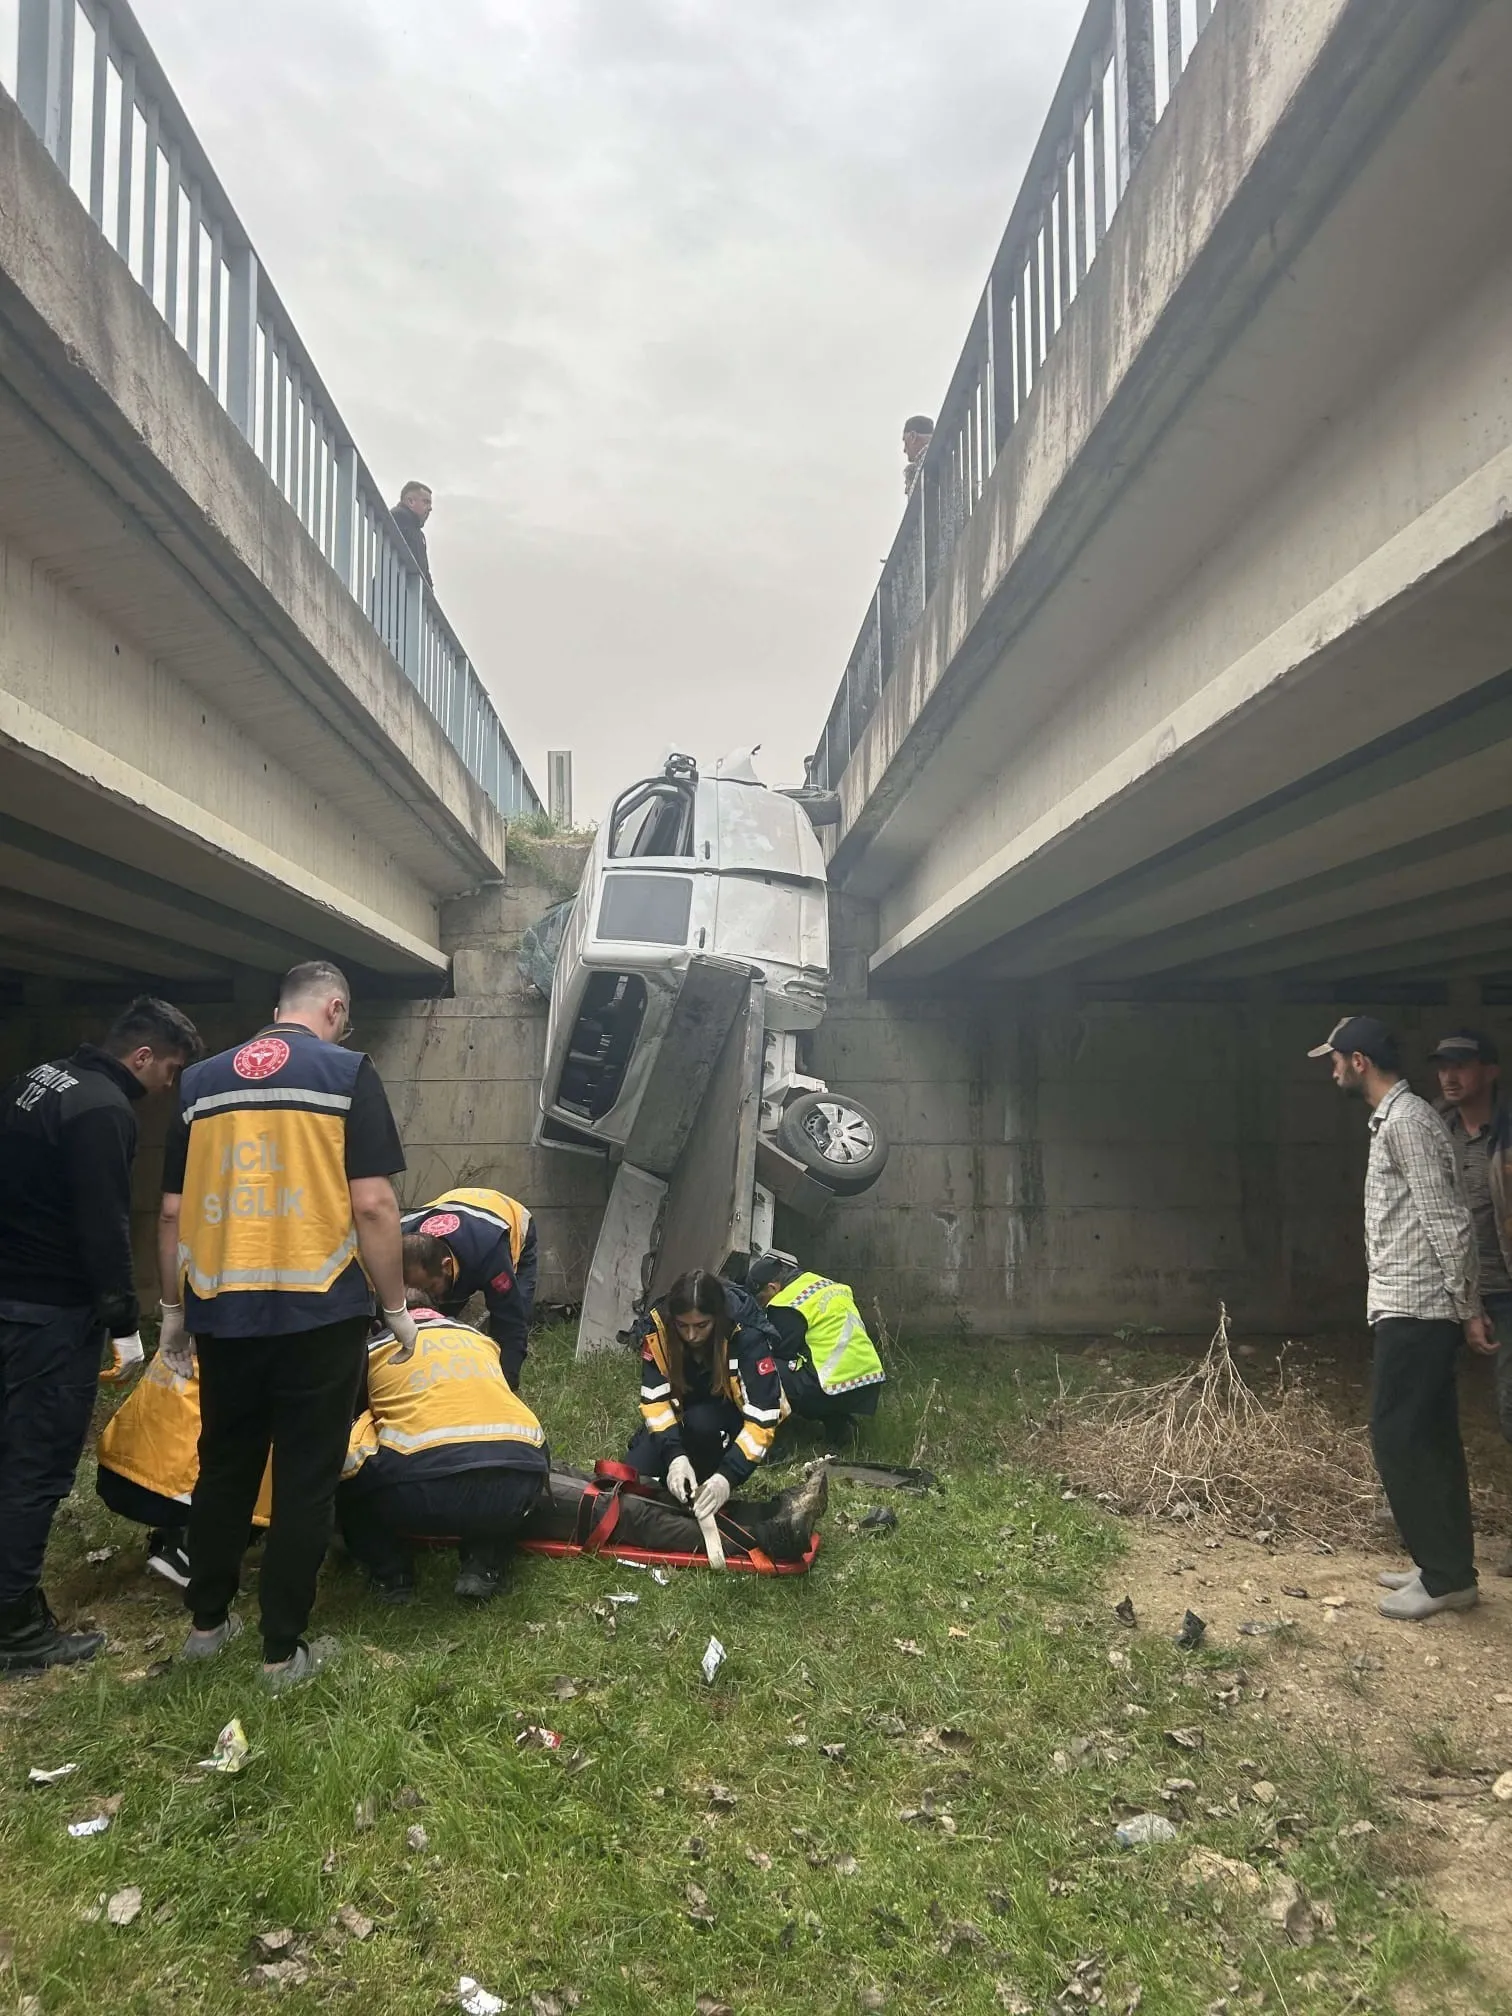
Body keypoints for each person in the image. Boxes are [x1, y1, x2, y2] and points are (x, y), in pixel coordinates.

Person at [158, 961, 417, 1691]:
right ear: (334, 1008)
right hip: (319, 1308)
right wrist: (395, 1307)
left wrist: (173, 1310)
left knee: (225, 1466)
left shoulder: (201, 1083)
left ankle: (207, 1627)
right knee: (305, 1479)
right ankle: (281, 1654)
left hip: (224, 1306)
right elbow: (372, 1205)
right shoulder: (346, 1073)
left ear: (278, 1009)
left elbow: (174, 1211)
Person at [0, 996, 201, 1671]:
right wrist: (123, 1321)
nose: (168, 1086)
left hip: (10, 1293)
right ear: (141, 1055)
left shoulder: (42, 1079)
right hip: (50, 1314)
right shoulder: (104, 1111)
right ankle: (17, 1630)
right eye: (169, 1070)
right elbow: (104, 1224)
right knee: (38, 1465)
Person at [1311, 1015, 1493, 1620]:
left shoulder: (1408, 1124)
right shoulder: (1401, 1119)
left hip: (1418, 1306)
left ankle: (1444, 1578)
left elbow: (1448, 1217)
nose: (1331, 1068)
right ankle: (1442, 1566)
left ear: (1360, 1060)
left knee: (1399, 1438)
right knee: (1430, 1438)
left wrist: (1466, 1309)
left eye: (1335, 1059)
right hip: (1410, 1302)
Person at [340, 1307, 549, 1603]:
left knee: (347, 1445)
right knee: (505, 1443)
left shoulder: (374, 1348)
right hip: (520, 1478)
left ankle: (391, 1575)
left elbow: (347, 1411)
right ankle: (484, 1564)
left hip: (421, 1491)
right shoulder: (480, 1340)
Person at [1431, 1029, 1512, 1568]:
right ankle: (1430, 1533)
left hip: (1506, 1291)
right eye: (1442, 1066)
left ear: (1490, 1071)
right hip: (1449, 1293)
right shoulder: (1433, 1131)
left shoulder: (1507, 1133)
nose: (1450, 1076)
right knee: (1425, 1404)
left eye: (1462, 1064)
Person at [95, 1352, 271, 1585]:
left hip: (126, 1471)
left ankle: (180, 1535)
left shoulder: (190, 1318)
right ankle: (193, 1549)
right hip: (177, 1491)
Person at [626, 1269, 785, 1523]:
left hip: (728, 1418)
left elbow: (763, 1417)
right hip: (683, 1413)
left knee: (702, 1423)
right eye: (682, 1326)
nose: (690, 1336)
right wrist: (675, 1456)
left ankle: (709, 1468)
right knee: (633, 1477)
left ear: (717, 1317)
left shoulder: (746, 1333)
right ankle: (680, 1462)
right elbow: (655, 1401)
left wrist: (727, 1476)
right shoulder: (658, 1328)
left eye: (701, 1326)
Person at [401, 1188, 537, 1388]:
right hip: (457, 1214)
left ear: (447, 1267)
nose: (422, 1297)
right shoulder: (398, 1238)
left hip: (506, 1221)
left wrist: (504, 1388)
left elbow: (510, 1324)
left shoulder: (490, 1254)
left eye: (428, 1288)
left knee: (516, 1312)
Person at [745, 1253, 886, 1430]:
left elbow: (780, 1351)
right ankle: (839, 1424)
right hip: (867, 1381)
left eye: (760, 1299)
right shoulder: (819, 1283)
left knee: (763, 1368)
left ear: (772, 1288)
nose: (761, 1305)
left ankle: (767, 1431)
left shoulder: (785, 1304)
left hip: (833, 1384)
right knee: (806, 1360)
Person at [391, 481, 434, 587]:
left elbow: (424, 571)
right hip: (396, 590)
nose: (430, 508)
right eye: (425, 502)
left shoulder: (416, 531)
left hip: (401, 592)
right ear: (410, 501)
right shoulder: (400, 517)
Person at [902, 415, 934, 497]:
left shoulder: (926, 462)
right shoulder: (945, 455)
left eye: (905, 442)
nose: (904, 450)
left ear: (913, 436)